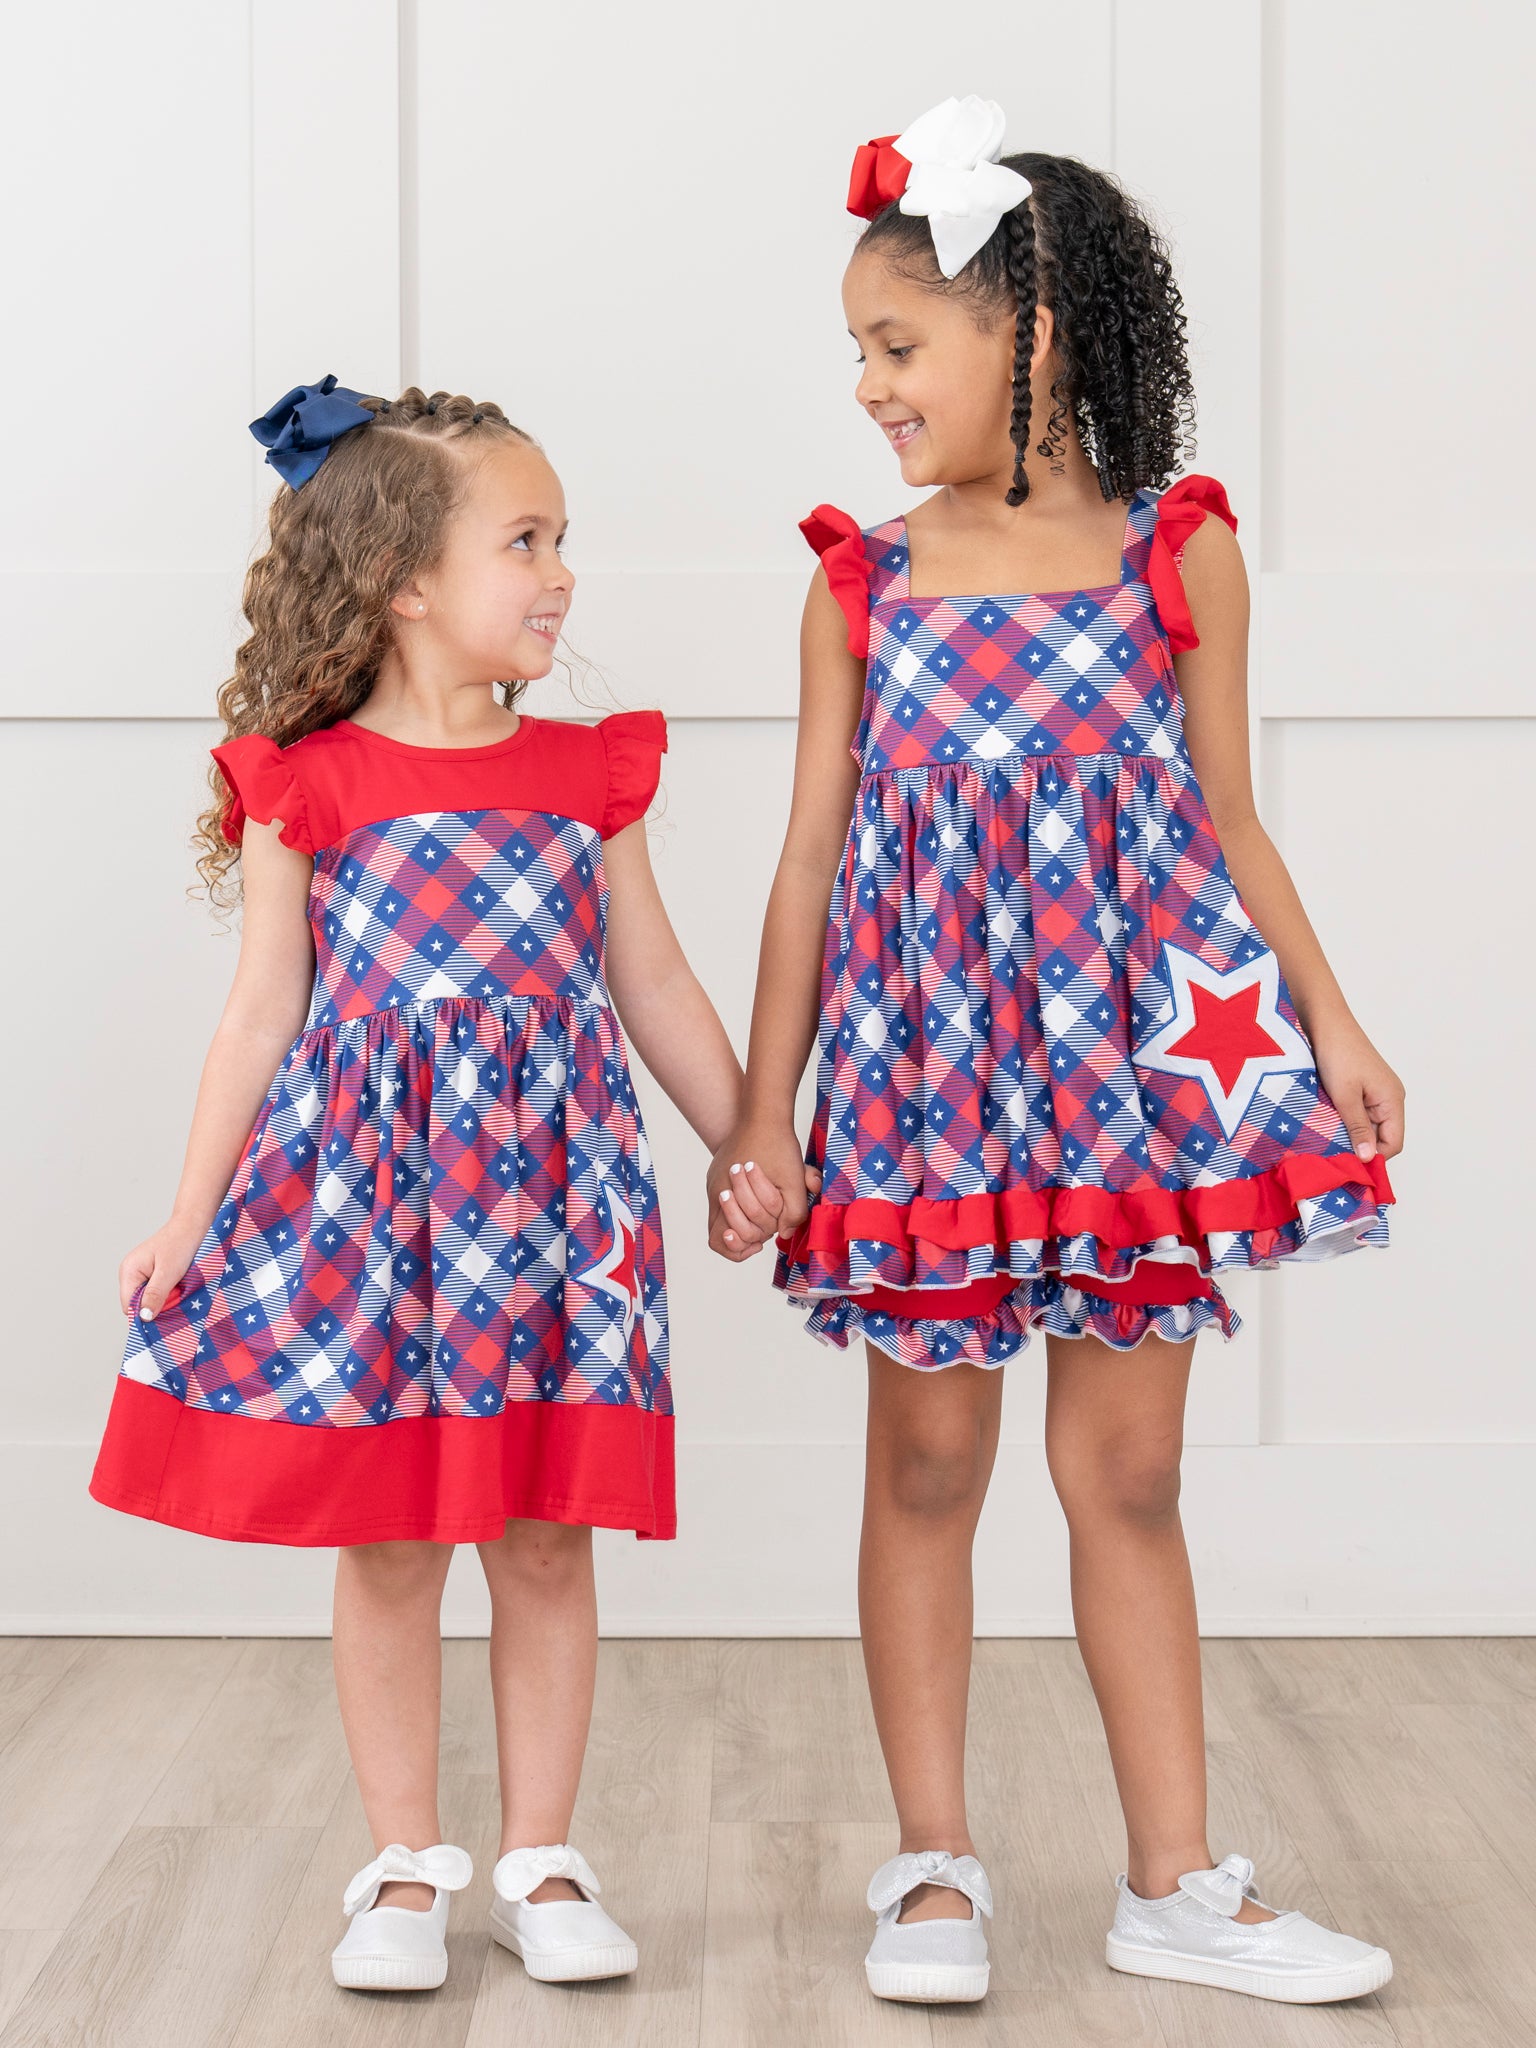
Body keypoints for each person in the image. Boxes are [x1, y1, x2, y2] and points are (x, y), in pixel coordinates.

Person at [710, 99, 1401, 2007]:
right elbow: (807, 862)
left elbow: (1232, 820)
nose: (866, 386)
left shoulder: (1182, 556)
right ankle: (933, 1868)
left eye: (894, 344)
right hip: (928, 1085)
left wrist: (1330, 1017)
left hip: (1129, 1089)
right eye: (858, 350)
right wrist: (766, 1110)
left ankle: (1175, 1881)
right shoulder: (865, 584)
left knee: (1133, 1476)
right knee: (930, 1465)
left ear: (1035, 335)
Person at [90, 380, 747, 1993]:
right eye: (524, 542)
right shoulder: (307, 784)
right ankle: (403, 1864)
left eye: (561, 540)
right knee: (389, 1538)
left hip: (556, 1211)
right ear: (400, 581)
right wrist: (190, 1211)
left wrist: (749, 1139)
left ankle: (541, 1859)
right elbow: (260, 1015)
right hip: (375, 1218)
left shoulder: (587, 772)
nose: (561, 575)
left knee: (547, 1534)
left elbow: (653, 982)